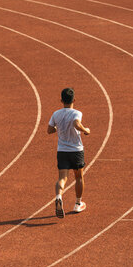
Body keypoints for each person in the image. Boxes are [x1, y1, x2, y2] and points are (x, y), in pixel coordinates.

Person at [47, 88, 90, 218]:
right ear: (74, 100)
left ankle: (59, 196)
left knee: (62, 178)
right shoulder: (77, 113)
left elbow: (49, 130)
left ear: (61, 100)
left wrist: (58, 128)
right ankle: (78, 203)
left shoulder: (56, 114)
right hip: (76, 150)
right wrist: (85, 129)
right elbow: (77, 124)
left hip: (62, 150)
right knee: (79, 177)